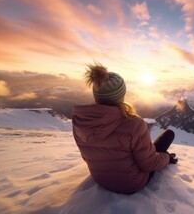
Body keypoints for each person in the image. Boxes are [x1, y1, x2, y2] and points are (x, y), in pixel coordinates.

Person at [72, 62, 178, 194]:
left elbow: (89, 156)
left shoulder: (79, 121)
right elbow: (149, 164)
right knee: (169, 135)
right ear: (121, 95)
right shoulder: (134, 124)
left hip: (100, 179)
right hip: (131, 184)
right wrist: (166, 158)